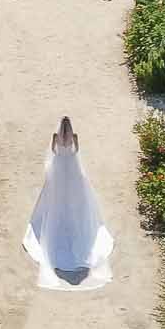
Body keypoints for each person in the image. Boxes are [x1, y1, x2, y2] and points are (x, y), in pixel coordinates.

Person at [24, 115, 114, 288]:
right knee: (76, 195)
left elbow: (52, 152)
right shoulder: (75, 137)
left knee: (56, 195)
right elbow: (77, 151)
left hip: (59, 165)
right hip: (72, 164)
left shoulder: (55, 137)